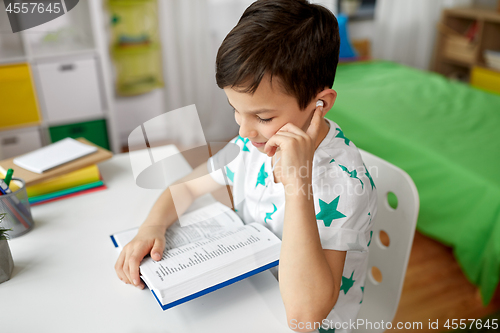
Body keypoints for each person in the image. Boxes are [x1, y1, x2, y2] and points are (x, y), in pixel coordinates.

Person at [115, 1, 377, 332]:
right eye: (235, 110)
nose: (243, 130)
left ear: (320, 103)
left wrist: (298, 184)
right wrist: (152, 227)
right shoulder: (251, 145)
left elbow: (305, 316)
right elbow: (187, 186)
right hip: (252, 293)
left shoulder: (344, 183)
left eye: (263, 117)